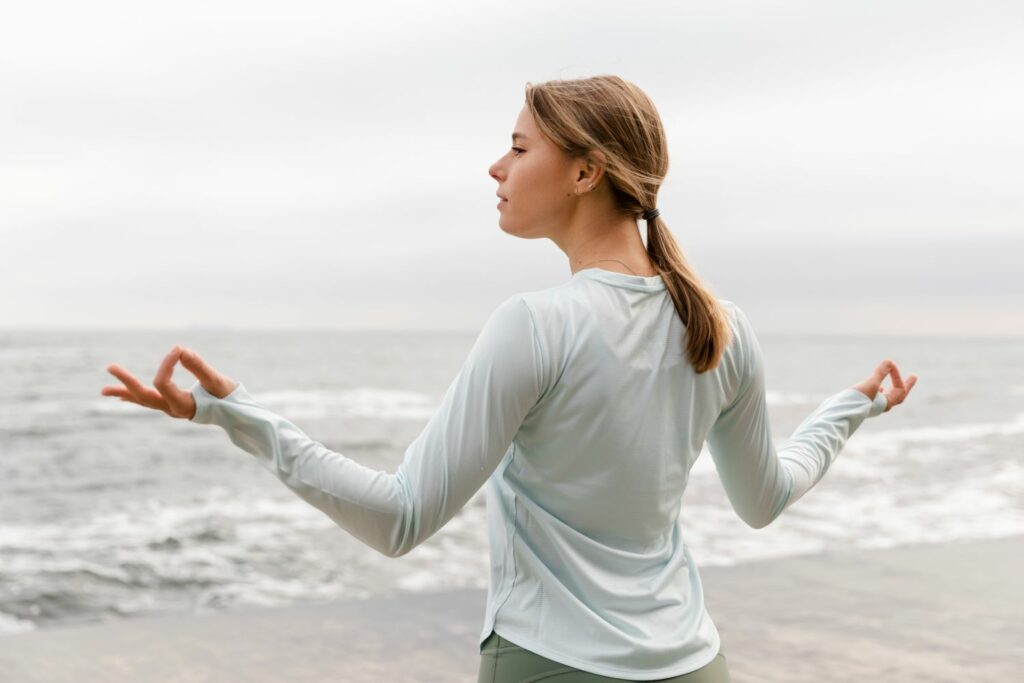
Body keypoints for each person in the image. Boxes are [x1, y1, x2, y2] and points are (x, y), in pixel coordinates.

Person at [101, 75, 917, 682]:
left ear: (586, 171)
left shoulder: (537, 323)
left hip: (551, 666)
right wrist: (853, 407)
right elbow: (764, 498)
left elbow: (400, 518)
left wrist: (238, 416)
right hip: (696, 664)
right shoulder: (722, 325)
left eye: (520, 147)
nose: (496, 167)